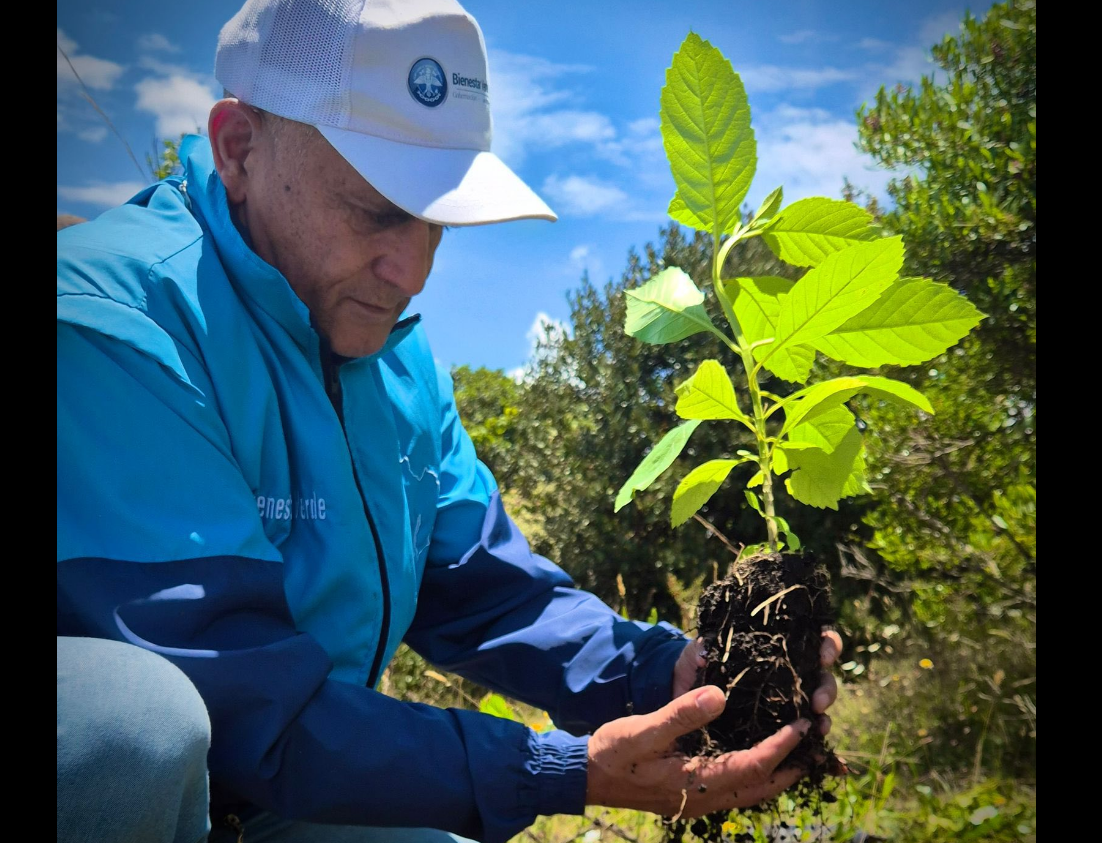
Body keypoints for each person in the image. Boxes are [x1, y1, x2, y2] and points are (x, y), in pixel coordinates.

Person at [56, 1, 842, 841]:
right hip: (143, 792)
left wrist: (667, 671)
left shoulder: (392, 357)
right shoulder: (114, 323)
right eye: (376, 209)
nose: (414, 270)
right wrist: (555, 768)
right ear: (240, 149)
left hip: (271, 798)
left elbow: (485, 591)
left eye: (436, 219)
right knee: (131, 730)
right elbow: (239, 698)